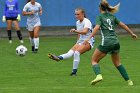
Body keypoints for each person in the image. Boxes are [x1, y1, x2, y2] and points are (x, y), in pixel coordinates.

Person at [84, 0, 138, 85]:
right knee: (118, 63)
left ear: (100, 8)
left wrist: (88, 38)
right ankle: (129, 81)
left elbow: (97, 27)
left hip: (106, 42)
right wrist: (132, 33)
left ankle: (98, 75)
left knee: (94, 60)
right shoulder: (112, 16)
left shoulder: (100, 17)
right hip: (116, 42)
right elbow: (123, 25)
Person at [48, 8, 95, 76]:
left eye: (78, 14)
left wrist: (75, 31)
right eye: (75, 14)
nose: (76, 16)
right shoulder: (77, 22)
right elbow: (79, 34)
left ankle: (74, 72)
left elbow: (85, 32)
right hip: (81, 41)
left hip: (89, 41)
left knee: (76, 53)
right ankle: (58, 58)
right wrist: (77, 43)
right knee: (70, 53)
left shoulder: (87, 21)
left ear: (83, 14)